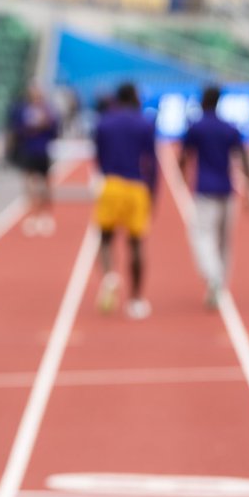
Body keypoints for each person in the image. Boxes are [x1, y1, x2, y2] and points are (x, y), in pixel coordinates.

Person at [179, 86, 249, 309]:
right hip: (227, 189)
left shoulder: (196, 127)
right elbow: (244, 157)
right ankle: (220, 282)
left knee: (202, 236)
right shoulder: (229, 127)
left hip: (205, 190)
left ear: (203, 101)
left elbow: (183, 156)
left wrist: (182, 176)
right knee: (224, 241)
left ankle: (213, 277)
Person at [93, 82, 158, 320]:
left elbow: (98, 157)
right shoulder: (144, 123)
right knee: (136, 243)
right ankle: (136, 300)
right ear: (133, 97)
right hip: (136, 186)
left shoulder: (104, 122)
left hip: (111, 184)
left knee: (105, 238)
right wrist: (153, 194)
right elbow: (151, 162)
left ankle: (110, 275)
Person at [8, 86, 59, 236]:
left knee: (46, 183)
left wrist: (45, 124)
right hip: (28, 150)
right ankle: (31, 214)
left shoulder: (48, 110)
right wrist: (29, 128)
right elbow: (16, 129)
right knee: (29, 183)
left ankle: (45, 213)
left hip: (42, 151)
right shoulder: (23, 110)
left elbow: (55, 130)